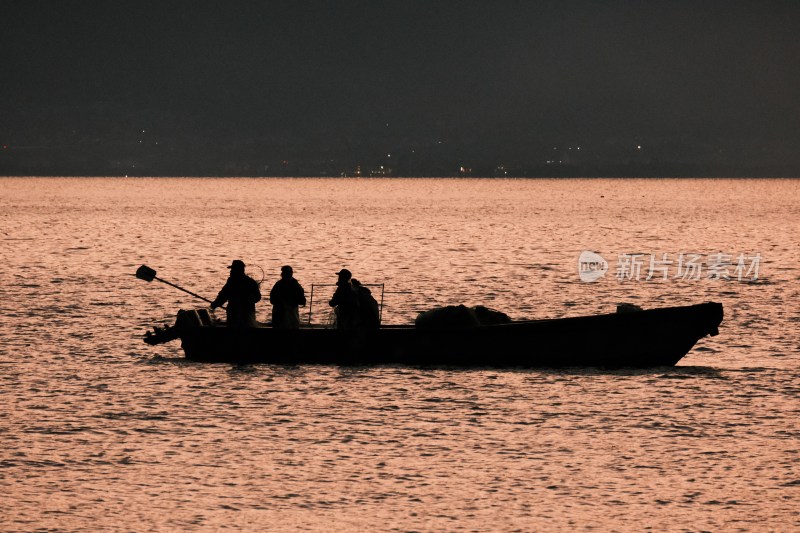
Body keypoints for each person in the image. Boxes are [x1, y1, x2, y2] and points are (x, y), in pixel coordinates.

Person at [210, 259, 262, 327]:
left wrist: (215, 304)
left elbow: (223, 295)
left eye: (232, 269)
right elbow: (258, 297)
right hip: (248, 314)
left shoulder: (232, 282)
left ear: (237, 270)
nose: (231, 271)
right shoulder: (251, 282)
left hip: (234, 314)